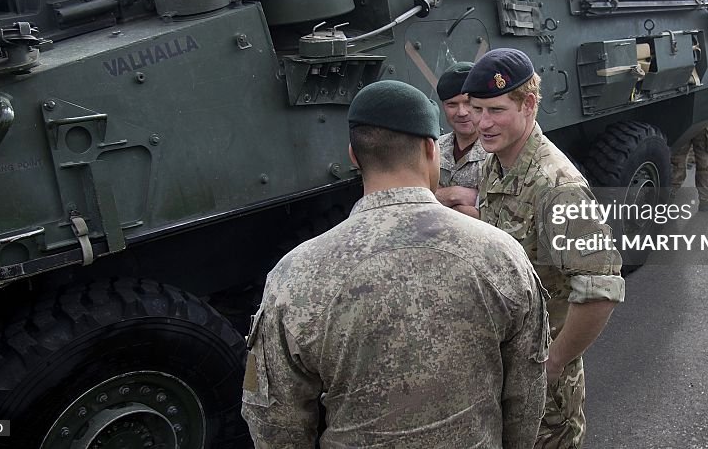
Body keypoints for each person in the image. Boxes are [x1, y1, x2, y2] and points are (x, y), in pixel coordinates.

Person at [242, 80, 549, 448]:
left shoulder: (294, 276)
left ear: (354, 156)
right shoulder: (502, 256)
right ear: (431, 149)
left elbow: (275, 421)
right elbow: (526, 397)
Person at [464, 48, 624, 449]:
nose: (481, 123)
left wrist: (553, 364)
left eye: (496, 110)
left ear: (529, 104)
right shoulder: (494, 163)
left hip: (543, 387)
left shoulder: (558, 187)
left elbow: (600, 292)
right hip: (499, 364)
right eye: (476, 109)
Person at [433, 62, 487, 218]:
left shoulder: (498, 153)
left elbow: (501, 214)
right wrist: (455, 195)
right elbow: (417, 199)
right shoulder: (434, 148)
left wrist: (438, 198)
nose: (462, 112)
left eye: (468, 103)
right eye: (452, 104)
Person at [670, 119, 708, 211]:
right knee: (706, 163)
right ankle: (707, 200)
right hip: (705, 117)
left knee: (676, 160)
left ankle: (667, 196)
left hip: (681, 118)